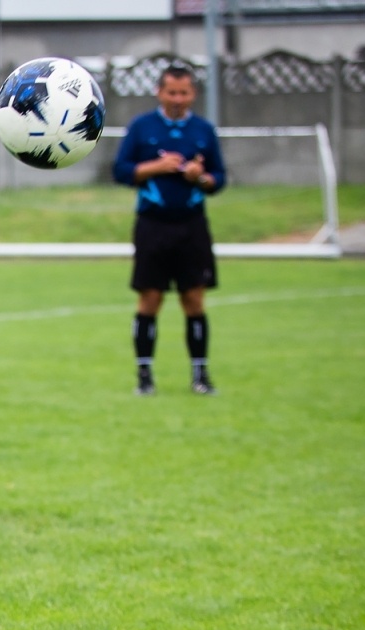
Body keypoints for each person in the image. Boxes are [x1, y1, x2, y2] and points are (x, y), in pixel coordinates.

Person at [112, 64, 226, 396]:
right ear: (160, 92)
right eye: (172, 92)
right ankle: (145, 377)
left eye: (184, 92)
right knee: (150, 298)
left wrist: (200, 178)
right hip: (152, 225)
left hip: (191, 226)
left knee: (194, 299)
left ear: (193, 94)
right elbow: (120, 170)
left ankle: (200, 376)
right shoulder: (141, 127)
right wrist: (156, 167)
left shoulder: (203, 130)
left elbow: (218, 178)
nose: (178, 98)